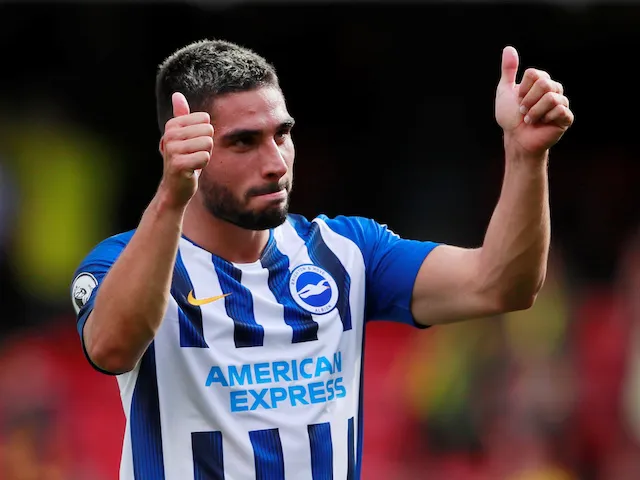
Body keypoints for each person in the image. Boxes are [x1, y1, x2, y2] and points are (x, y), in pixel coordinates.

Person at [70, 38, 573, 479]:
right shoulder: (125, 261)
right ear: (184, 149)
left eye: (282, 134)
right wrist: (170, 196)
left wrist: (525, 156)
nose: (275, 163)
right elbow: (110, 349)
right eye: (243, 142)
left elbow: (502, 285)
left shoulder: (347, 252)